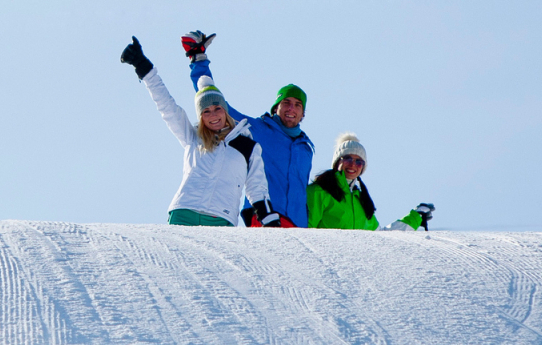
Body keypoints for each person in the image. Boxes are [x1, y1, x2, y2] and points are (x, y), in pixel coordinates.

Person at [120, 37, 281, 228]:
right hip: (184, 212)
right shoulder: (193, 136)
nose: (213, 115)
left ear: (225, 110)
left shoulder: (248, 147)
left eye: (217, 108)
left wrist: (269, 221)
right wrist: (143, 66)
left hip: (222, 218)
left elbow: (257, 187)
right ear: (201, 116)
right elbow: (166, 105)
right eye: (206, 111)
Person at [179, 30, 314, 227]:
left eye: (297, 105)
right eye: (286, 102)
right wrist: (198, 59)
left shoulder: (306, 149)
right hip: (265, 215)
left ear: (303, 114)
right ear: (276, 107)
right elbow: (212, 100)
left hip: (297, 224)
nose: (291, 108)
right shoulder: (256, 129)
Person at [308, 133, 379, 231]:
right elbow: (304, 231)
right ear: (337, 162)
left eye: (359, 162)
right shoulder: (318, 192)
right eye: (348, 159)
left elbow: (383, 236)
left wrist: (408, 220)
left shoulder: (363, 204)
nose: (353, 164)